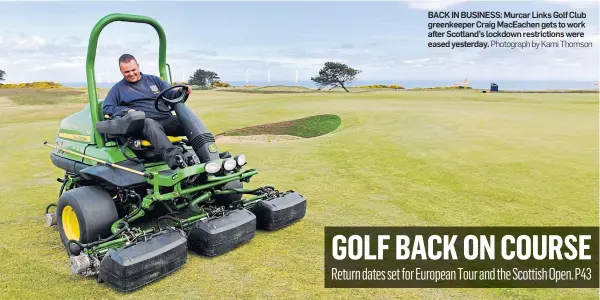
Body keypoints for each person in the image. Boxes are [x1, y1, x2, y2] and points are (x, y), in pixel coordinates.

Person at [102, 54, 191, 169]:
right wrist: (126, 110)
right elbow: (107, 107)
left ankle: (209, 153)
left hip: (165, 119)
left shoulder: (154, 80)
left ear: (138, 66)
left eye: (133, 70)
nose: (131, 74)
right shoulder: (118, 89)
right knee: (150, 123)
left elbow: (171, 95)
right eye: (127, 72)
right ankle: (176, 161)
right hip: (142, 124)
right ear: (121, 71)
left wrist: (181, 91)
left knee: (187, 120)